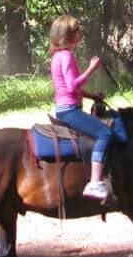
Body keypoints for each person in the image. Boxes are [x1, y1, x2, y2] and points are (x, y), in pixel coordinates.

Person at [48, 15, 124, 201]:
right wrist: (91, 68)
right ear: (68, 35)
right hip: (69, 110)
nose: (80, 32)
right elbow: (73, 85)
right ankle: (95, 182)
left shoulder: (58, 55)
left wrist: (92, 96)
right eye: (77, 30)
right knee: (105, 134)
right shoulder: (66, 56)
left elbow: (68, 88)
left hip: (65, 106)